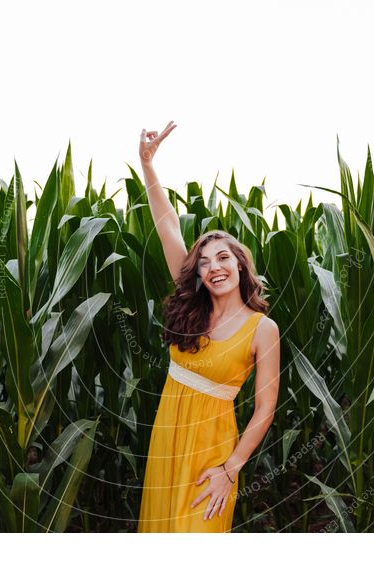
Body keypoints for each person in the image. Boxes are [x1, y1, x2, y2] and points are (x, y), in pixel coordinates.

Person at [136, 121, 281, 532]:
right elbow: (167, 225)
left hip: (211, 454)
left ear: (239, 264)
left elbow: (265, 408)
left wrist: (230, 469)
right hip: (167, 440)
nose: (213, 267)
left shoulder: (261, 329)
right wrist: (147, 165)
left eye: (222, 258)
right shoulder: (191, 310)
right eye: (203, 261)